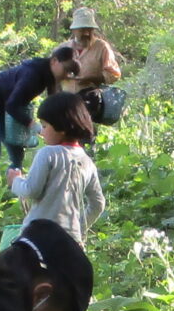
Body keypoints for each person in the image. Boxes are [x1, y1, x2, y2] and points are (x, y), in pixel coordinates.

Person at [10, 91, 106, 244]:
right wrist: (78, 227)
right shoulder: (87, 162)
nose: (42, 131)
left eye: (44, 126)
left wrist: (15, 181)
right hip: (71, 239)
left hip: (37, 235)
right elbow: (98, 203)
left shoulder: (47, 153)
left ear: (62, 127)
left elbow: (31, 190)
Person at [0, 45, 76, 172]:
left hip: (7, 106)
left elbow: (52, 104)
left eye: (70, 72)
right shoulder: (33, 75)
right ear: (54, 61)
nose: (67, 75)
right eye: (66, 69)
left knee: (17, 155)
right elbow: (12, 106)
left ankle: (14, 185)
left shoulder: (49, 76)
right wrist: (36, 127)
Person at [66, 6, 125, 132]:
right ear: (74, 30)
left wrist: (95, 76)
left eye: (90, 30)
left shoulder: (101, 47)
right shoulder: (63, 49)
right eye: (83, 30)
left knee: (83, 132)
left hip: (89, 99)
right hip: (65, 101)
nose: (87, 33)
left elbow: (114, 73)